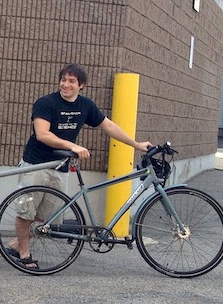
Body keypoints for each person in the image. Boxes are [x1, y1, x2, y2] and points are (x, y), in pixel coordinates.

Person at [8, 64, 151, 270]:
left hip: (61, 166)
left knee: (47, 215)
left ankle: (15, 243)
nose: (65, 84)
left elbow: (109, 126)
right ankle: (24, 253)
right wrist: (73, 145)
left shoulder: (85, 105)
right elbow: (43, 134)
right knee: (26, 212)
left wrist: (137, 145)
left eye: (71, 81)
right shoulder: (46, 103)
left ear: (81, 85)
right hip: (37, 164)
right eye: (63, 80)